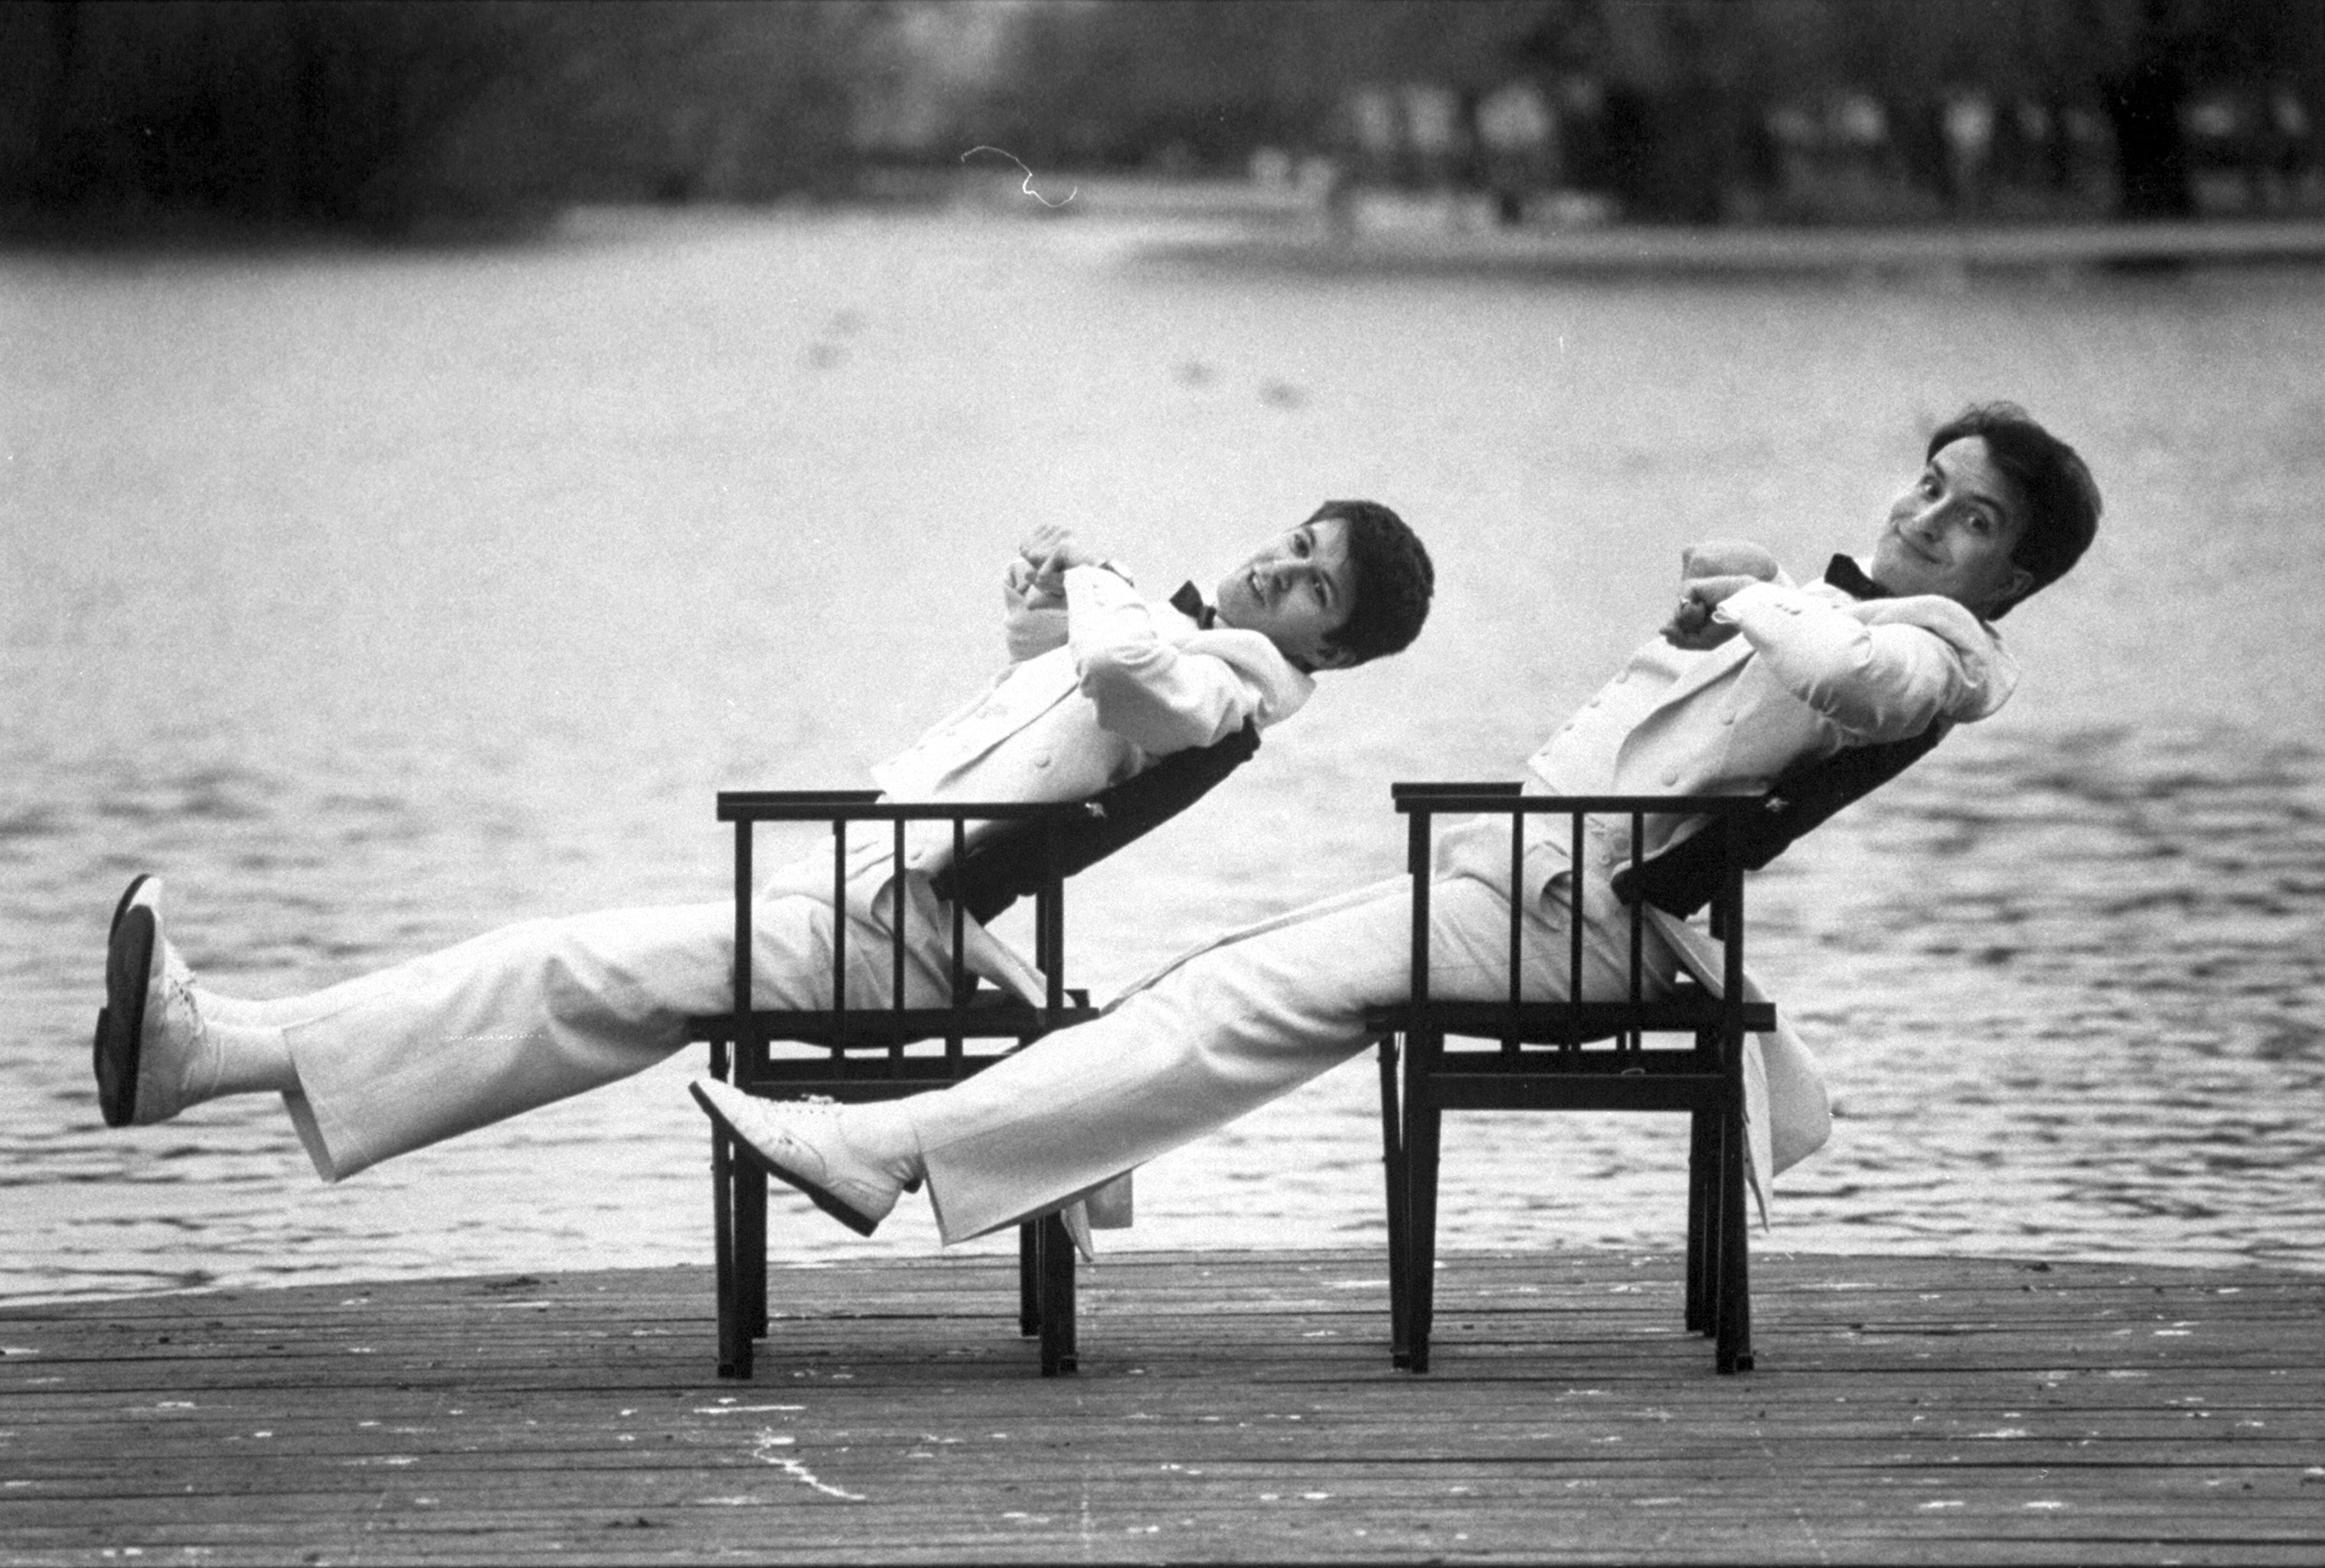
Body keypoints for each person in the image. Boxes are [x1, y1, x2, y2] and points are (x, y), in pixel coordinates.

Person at [694, 402, 2103, 1248]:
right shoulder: (1844, 614)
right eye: (1930, 483)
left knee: (1218, 998)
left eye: (1969, 519)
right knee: (1213, 1003)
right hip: (1529, 899)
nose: (1927, 517)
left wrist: (1746, 590)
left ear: (2014, 576)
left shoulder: (1939, 656)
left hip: (1577, 930)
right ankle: (984, 1155)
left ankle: (900, 1151)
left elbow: (1850, 671)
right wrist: (1745, 606)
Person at [93, 501, 1437, 1184]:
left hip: (887, 937)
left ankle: (212, 1049)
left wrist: (1094, 582)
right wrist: (1038, 598)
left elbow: (1119, 665)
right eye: (1296, 541)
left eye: (1314, 584)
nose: (1280, 567)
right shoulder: (1182, 648)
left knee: (567, 966)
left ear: (1331, 649)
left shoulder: (1216, 688)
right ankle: (212, 1049)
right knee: (580, 984)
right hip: (857, 897)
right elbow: (1059, 680)